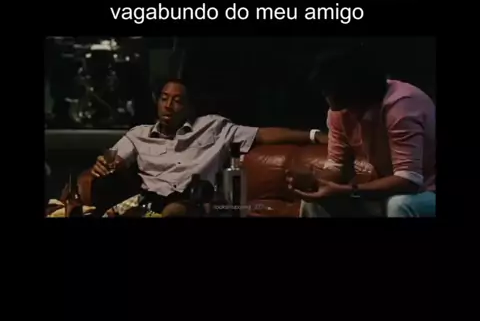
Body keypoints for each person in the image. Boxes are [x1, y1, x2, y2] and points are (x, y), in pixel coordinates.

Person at [90, 78, 326, 217]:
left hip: (192, 200)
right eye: (164, 98)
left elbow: (262, 134)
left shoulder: (213, 127)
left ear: (189, 107)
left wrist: (314, 135)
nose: (168, 105)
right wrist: (107, 164)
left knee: (175, 211)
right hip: (147, 201)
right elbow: (113, 158)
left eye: (177, 101)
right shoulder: (138, 134)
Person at [289, 43, 436, 218]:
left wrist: (349, 190)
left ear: (351, 87)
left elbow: (409, 180)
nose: (323, 94)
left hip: (427, 192)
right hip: (390, 192)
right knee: (315, 200)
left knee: (399, 205)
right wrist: (315, 181)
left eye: (327, 88)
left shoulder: (401, 105)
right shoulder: (340, 112)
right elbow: (338, 168)